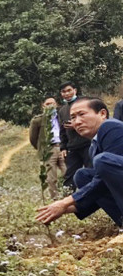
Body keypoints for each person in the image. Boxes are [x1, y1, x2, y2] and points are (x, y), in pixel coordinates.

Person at [36, 98, 123, 226]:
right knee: (83, 175)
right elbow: (101, 188)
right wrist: (64, 209)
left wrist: (65, 201)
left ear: (102, 114)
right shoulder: (94, 146)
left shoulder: (111, 127)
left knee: (101, 162)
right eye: (73, 117)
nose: (77, 122)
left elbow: (102, 177)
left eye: (82, 114)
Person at [29, 97, 66, 198]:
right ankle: (55, 199)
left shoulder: (61, 117)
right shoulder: (38, 120)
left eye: (53, 103)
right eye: (48, 103)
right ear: (43, 106)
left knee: (67, 172)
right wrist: (43, 149)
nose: (50, 106)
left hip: (62, 147)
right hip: (49, 149)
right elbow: (33, 138)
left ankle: (69, 196)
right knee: (51, 177)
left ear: (56, 105)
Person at [58, 82, 91, 191]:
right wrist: (63, 147)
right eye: (63, 91)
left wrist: (76, 124)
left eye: (69, 90)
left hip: (88, 143)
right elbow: (62, 131)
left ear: (75, 90)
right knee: (69, 176)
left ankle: (98, 200)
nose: (66, 93)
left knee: (91, 172)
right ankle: (66, 200)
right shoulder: (62, 110)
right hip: (72, 146)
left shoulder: (85, 103)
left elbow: (92, 120)